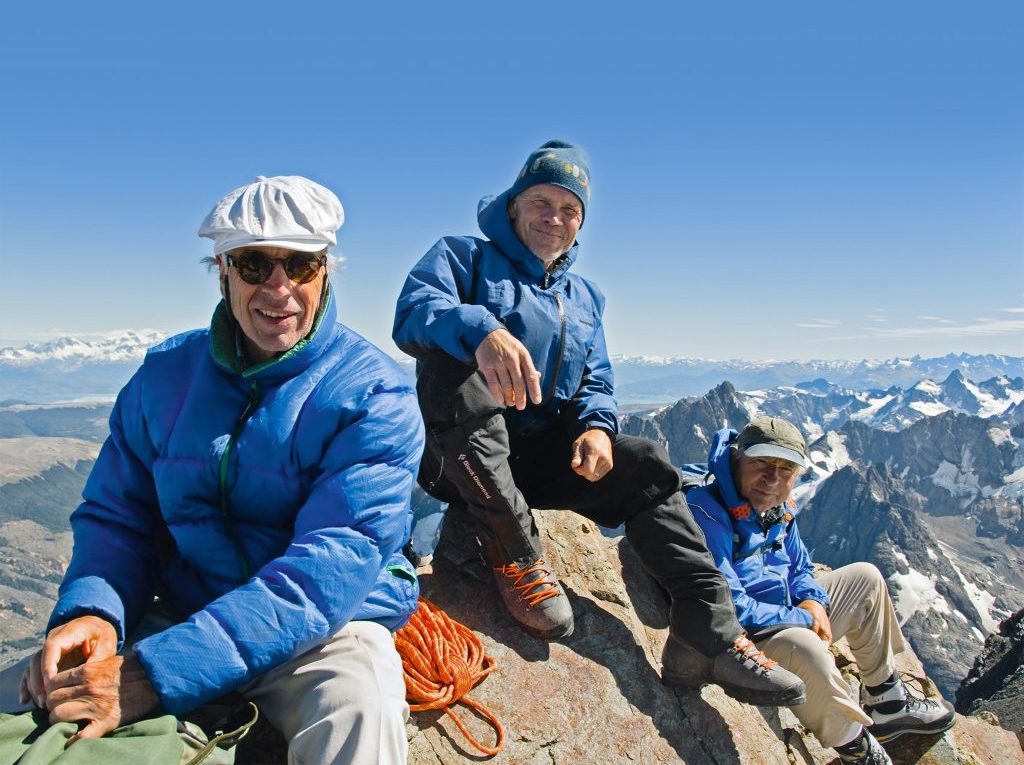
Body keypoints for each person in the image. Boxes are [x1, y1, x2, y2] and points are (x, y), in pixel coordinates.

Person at [18, 175, 424, 765]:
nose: (279, 288)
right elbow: (119, 515)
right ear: (223, 271)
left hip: (327, 629)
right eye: (255, 264)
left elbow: (332, 565)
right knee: (27, 698)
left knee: (358, 711)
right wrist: (93, 611)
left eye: (302, 266)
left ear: (326, 271)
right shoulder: (164, 377)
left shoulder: (372, 394)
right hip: (190, 606)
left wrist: (155, 675)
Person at [393, 139, 806, 707]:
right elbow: (414, 312)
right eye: (541, 201)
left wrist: (596, 429)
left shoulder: (585, 297)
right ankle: (515, 555)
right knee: (453, 372)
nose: (553, 218)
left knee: (647, 465)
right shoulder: (462, 258)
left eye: (570, 210)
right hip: (459, 453)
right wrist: (482, 332)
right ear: (513, 205)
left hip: (534, 461)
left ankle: (706, 635)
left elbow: (598, 378)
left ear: (580, 223)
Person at [685, 417, 956, 765]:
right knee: (809, 648)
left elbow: (801, 567)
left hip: (782, 615)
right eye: (761, 465)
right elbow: (727, 603)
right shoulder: (705, 510)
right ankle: (857, 749)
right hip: (740, 639)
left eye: (786, 470)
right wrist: (801, 617)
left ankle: (887, 702)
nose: (773, 479)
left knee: (865, 577)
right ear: (737, 459)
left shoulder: (775, 507)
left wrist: (813, 600)